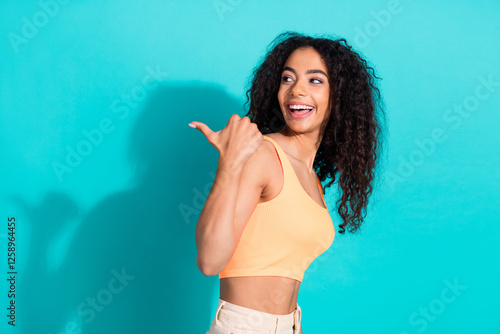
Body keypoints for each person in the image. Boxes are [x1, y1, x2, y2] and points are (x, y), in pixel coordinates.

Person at [189, 31, 385, 334]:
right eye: (287, 78)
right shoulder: (263, 155)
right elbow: (210, 261)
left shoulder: (310, 178)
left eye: (315, 80)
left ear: (340, 95)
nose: (297, 91)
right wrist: (229, 164)